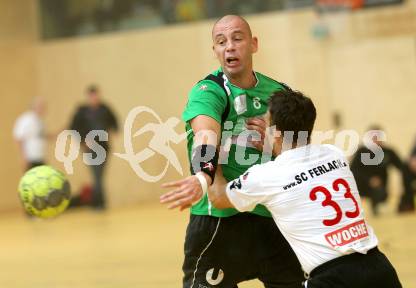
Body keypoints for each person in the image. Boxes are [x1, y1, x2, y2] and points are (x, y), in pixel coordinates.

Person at [162, 90, 402, 288]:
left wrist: (217, 156)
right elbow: (300, 167)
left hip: (333, 279)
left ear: (276, 133)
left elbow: (217, 197)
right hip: (379, 268)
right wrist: (273, 146)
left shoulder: (266, 175)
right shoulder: (335, 154)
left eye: (266, 121)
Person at [162, 15, 303, 288]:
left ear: (254, 44)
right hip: (218, 222)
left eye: (237, 39)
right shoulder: (209, 91)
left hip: (271, 219)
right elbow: (205, 135)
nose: (229, 47)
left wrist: (274, 144)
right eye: (221, 42)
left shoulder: (279, 94)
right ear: (214, 51)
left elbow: (298, 152)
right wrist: (203, 176)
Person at [69, 85, 118, 209]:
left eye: (96, 95)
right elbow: (73, 128)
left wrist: (112, 132)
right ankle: (99, 202)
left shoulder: (104, 109)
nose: (94, 98)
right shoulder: (82, 111)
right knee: (96, 175)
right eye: (92, 96)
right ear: (88, 97)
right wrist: (82, 141)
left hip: (103, 146)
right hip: (90, 147)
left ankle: (98, 202)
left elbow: (115, 122)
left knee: (99, 175)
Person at [351, 126, 402, 216]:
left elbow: (402, 167)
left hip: (380, 187)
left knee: (380, 192)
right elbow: (353, 170)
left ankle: (377, 209)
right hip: (362, 185)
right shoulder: (361, 152)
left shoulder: (388, 152)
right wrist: (369, 180)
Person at [13, 97, 47, 171]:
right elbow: (18, 138)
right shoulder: (26, 119)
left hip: (40, 158)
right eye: (41, 106)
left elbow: (44, 136)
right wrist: (23, 157)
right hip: (30, 159)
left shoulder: (40, 121)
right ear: (34, 106)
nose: (43, 109)